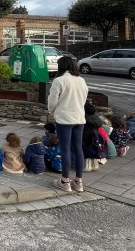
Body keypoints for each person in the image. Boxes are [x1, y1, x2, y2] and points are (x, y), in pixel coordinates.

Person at [47, 56, 89, 193]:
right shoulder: (81, 80)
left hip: (64, 119)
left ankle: (65, 181)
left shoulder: (59, 81)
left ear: (61, 67)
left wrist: (52, 112)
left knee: (65, 149)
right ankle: (79, 181)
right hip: (79, 118)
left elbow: (52, 100)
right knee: (78, 149)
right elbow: (83, 98)